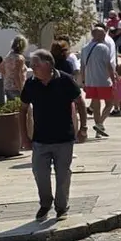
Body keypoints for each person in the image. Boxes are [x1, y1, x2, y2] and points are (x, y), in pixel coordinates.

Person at [19, 49, 89, 221]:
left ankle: (61, 207)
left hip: (64, 137)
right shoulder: (31, 84)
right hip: (40, 139)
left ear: (48, 64)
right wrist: (24, 137)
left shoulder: (65, 80)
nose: (32, 68)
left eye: (36, 65)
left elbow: (80, 102)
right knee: (39, 173)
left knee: (63, 174)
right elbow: (22, 110)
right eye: (31, 65)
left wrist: (83, 128)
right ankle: (45, 203)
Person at [79, 24, 116, 138]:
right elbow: (108, 66)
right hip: (103, 81)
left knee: (96, 105)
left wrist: (84, 81)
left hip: (90, 81)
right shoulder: (103, 48)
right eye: (103, 34)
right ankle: (99, 124)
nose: (105, 36)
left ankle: (98, 130)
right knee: (110, 103)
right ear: (97, 35)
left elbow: (82, 67)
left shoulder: (85, 48)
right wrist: (113, 80)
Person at [2, 36, 28, 101]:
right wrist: (21, 90)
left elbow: (0, 67)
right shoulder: (19, 59)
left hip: (7, 86)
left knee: (13, 107)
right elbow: (17, 75)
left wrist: (8, 76)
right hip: (16, 88)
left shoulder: (8, 56)